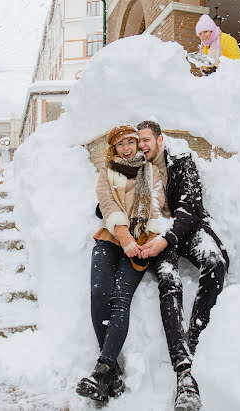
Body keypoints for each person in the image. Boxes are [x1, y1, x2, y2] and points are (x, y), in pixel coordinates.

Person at [137, 120, 229, 411]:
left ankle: (197, 336)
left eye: (146, 140)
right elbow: (112, 200)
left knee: (215, 261)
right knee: (169, 279)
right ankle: (183, 369)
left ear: (160, 140)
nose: (141, 146)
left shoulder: (181, 161)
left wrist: (170, 237)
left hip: (183, 228)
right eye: (138, 141)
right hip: (154, 233)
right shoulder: (134, 169)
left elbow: (191, 206)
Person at [76, 125, 165, 404]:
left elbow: (152, 209)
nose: (127, 148)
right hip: (110, 239)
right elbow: (109, 208)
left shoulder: (148, 171)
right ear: (113, 148)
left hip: (138, 245)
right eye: (120, 144)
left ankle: (101, 368)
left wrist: (144, 241)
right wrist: (124, 239)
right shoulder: (106, 173)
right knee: (98, 295)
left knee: (120, 299)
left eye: (131, 142)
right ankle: (110, 373)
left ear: (137, 144)